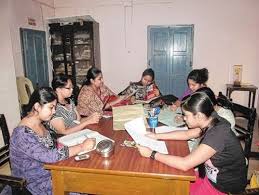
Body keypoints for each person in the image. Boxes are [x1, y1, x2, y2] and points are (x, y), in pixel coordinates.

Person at [137, 92, 247, 194]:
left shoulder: (217, 134)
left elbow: (185, 164)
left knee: (175, 188)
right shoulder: (210, 119)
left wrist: (152, 154)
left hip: (223, 187)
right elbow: (187, 134)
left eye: (186, 115)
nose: (184, 119)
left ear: (199, 115)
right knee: (170, 184)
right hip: (208, 177)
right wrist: (156, 136)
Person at [9, 87, 96, 195]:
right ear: (37, 106)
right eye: (51, 107)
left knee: (86, 176)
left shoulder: (39, 122)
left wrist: (71, 146)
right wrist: (81, 147)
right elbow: (49, 156)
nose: (54, 111)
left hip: (50, 170)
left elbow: (50, 145)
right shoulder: (22, 134)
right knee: (82, 185)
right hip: (34, 182)